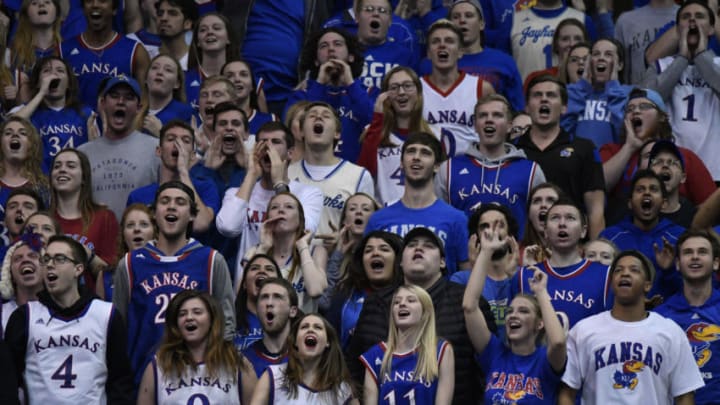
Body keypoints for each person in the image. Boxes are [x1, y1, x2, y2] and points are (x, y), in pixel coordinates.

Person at [347, 227, 497, 404]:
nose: (418, 249)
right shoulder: (376, 302)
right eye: (411, 245)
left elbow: (492, 363)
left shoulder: (468, 301)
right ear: (401, 262)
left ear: (442, 262)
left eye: (428, 246)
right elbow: (354, 367)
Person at [112, 181, 235, 383]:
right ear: (154, 213)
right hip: (141, 377)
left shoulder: (211, 260)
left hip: (198, 380)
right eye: (165, 201)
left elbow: (227, 324)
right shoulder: (130, 263)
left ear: (192, 215)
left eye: (180, 202)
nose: (171, 206)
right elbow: (118, 327)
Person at [559, 250, 705, 405]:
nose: (625, 274)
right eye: (618, 270)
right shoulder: (584, 330)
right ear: (611, 283)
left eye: (634, 270)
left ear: (647, 285)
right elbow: (567, 393)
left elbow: (684, 395)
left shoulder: (670, 331)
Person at [5, 235, 135, 404]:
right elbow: (8, 382)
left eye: (60, 259)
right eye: (46, 259)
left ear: (78, 269)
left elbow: (120, 381)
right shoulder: (24, 317)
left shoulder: (106, 315)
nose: (50, 264)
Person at [464, 225, 565, 404]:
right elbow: (469, 307)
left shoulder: (545, 360)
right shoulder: (494, 353)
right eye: (510, 311)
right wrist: (485, 253)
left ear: (539, 324)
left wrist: (541, 293)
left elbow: (557, 342)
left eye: (523, 311)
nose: (513, 315)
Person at [216, 122, 323, 280]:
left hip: (289, 285)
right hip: (249, 287)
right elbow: (228, 227)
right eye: (263, 142)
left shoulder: (309, 194)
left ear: (290, 153)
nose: (268, 147)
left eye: (276, 142)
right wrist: (252, 174)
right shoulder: (237, 193)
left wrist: (279, 183)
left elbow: (302, 229)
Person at [435, 94, 546, 239]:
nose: (489, 120)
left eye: (497, 115)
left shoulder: (531, 171)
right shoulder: (449, 169)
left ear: (509, 126)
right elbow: (437, 222)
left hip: (513, 258)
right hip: (464, 258)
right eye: (483, 115)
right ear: (475, 125)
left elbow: (542, 222)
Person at [514, 75, 606, 239]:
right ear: (527, 107)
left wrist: (595, 254)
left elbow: (596, 210)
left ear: (564, 107)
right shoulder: (512, 150)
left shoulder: (584, 149)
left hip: (571, 246)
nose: (544, 100)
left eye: (551, 95)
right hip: (522, 245)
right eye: (537, 95)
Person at [365, 132, 469, 274]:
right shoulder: (378, 219)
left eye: (425, 153)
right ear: (401, 163)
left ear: (437, 166)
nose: (416, 157)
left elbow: (465, 275)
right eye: (411, 151)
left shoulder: (457, 219)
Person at [641, 0, 720, 181]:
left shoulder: (718, 64)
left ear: (710, 29)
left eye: (699, 16)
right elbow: (648, 102)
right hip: (670, 170)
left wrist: (700, 56)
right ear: (677, 30)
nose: (692, 21)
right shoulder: (660, 66)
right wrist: (682, 58)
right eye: (686, 17)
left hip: (715, 170)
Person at [600, 87, 715, 207]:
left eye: (644, 106)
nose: (636, 111)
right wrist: (629, 147)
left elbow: (710, 206)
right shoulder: (612, 151)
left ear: (661, 117)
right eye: (630, 109)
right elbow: (597, 187)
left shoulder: (684, 157)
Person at [137, 290, 257, 405]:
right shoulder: (158, 365)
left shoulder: (235, 361)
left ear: (212, 319)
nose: (189, 317)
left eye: (197, 312)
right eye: (182, 314)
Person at [511, 198, 613, 333]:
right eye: (555, 218)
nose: (562, 224)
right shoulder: (524, 276)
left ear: (583, 231)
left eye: (570, 218)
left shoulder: (606, 276)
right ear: (546, 232)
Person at [288, 102, 374, 239]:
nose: (318, 118)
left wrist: (343, 240)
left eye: (326, 116)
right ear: (302, 131)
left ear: (337, 134)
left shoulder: (359, 176)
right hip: (294, 258)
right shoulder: (286, 174)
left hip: (338, 258)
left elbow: (367, 229)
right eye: (312, 116)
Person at [78, 76, 160, 219]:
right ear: (102, 103)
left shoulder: (155, 148)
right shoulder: (82, 153)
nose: (121, 102)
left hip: (139, 236)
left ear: (138, 108)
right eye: (114, 96)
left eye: (128, 98)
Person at [287, 27, 373, 162]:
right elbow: (297, 128)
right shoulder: (302, 94)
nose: (331, 49)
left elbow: (373, 123)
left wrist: (351, 83)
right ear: (315, 60)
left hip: (353, 172)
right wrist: (319, 83)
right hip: (311, 169)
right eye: (323, 46)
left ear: (351, 56)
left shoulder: (368, 92)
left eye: (337, 44)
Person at [360, 284, 455, 405]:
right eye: (396, 302)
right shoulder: (375, 355)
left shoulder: (441, 350)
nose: (402, 304)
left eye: (411, 300)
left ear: (425, 312)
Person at [656, 229, 720, 404]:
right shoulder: (659, 318)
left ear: (716, 263)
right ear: (677, 263)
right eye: (688, 252)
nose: (695, 257)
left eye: (702, 252)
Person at [600, 169, 685, 299]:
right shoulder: (609, 237)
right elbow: (597, 281)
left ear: (664, 203)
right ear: (629, 202)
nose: (647, 193)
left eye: (653, 189)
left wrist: (669, 270)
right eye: (640, 189)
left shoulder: (679, 237)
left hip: (665, 314)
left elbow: (692, 287)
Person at [127, 120, 220, 235]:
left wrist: (183, 171)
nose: (177, 144)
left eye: (185, 141)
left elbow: (201, 224)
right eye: (171, 139)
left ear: (192, 155)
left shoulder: (205, 187)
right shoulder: (138, 196)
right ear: (159, 151)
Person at [357, 66, 433, 206]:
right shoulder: (372, 132)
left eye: (407, 86)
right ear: (385, 96)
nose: (401, 92)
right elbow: (364, 176)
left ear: (419, 93)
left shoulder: (435, 135)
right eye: (394, 87)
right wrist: (378, 118)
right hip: (384, 216)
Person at [244, 192, 328, 313]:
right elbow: (242, 293)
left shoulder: (315, 251)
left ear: (300, 219)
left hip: (299, 329)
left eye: (289, 206)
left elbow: (315, 290)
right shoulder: (255, 251)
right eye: (274, 207)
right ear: (267, 218)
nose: (281, 210)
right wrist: (263, 248)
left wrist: (302, 247)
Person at [422, 19, 494, 157]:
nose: (442, 45)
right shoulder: (416, 89)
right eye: (436, 41)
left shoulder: (482, 88)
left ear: (460, 51)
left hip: (470, 171)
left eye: (449, 41)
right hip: (428, 171)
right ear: (428, 53)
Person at [59, 0, 150, 108]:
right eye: (89, 1)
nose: (95, 5)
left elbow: (144, 102)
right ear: (83, 9)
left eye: (103, 1)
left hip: (120, 123)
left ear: (115, 9)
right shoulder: (62, 51)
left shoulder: (136, 51)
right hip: (76, 123)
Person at [250, 313, 357, 404]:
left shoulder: (343, 390)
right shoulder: (273, 376)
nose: (310, 329)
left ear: (327, 342)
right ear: (296, 342)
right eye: (304, 327)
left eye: (318, 327)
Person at [50, 148, 119, 290]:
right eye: (57, 166)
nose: (62, 170)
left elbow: (112, 276)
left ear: (83, 178)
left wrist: (87, 254)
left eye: (71, 166)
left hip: (91, 303)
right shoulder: (44, 221)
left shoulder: (104, 218)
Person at [12, 56, 95, 173]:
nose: (53, 75)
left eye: (60, 71)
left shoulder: (86, 113)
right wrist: (42, 92)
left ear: (68, 84)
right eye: (47, 71)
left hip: (76, 180)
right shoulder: (27, 110)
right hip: (39, 182)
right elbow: (10, 126)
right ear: (38, 82)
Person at [324, 230, 403, 349]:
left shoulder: (411, 296)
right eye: (368, 250)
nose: (375, 253)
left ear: (398, 259)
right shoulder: (345, 295)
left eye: (384, 249)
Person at [562, 38, 633, 148]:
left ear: (620, 65)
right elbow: (562, 132)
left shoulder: (630, 93)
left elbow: (626, 136)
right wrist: (582, 87)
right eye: (596, 54)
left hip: (615, 162)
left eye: (608, 54)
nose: (601, 58)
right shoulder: (572, 92)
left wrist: (614, 88)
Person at [97, 203, 157, 302]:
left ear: (155, 232)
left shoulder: (164, 268)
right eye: (130, 225)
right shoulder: (105, 276)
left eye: (144, 224)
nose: (137, 229)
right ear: (123, 235)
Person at [355, 0, 418, 90]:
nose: (376, 14)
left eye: (382, 11)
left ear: (390, 21)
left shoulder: (405, 56)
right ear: (357, 17)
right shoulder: (345, 51)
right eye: (369, 9)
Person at [242, 277, 299, 377]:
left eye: (277, 297)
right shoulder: (244, 360)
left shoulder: (304, 357)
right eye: (264, 297)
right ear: (257, 309)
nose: (269, 303)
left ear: (293, 311)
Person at [614, 0, 679, 84]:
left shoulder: (690, 17)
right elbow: (620, 72)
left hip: (680, 93)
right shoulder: (626, 21)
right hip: (638, 94)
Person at [185, 13, 240, 109]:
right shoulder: (183, 79)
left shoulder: (243, 80)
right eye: (203, 30)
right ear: (197, 41)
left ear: (228, 38)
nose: (210, 32)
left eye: (217, 28)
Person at [234, 253, 283, 350]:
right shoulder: (228, 321)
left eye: (269, 269)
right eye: (254, 268)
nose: (262, 271)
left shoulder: (291, 322)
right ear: (243, 284)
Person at [139, 54, 194, 137]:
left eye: (168, 70)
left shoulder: (186, 113)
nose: (160, 72)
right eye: (155, 68)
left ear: (177, 83)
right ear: (146, 79)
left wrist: (161, 133)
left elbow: (190, 148)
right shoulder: (133, 110)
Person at [0, 232, 45, 335]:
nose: (25, 260)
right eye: (17, 259)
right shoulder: (2, 313)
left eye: (32, 255)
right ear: (10, 274)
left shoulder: (59, 310)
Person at [646, 140, 697, 228]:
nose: (665, 165)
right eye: (658, 162)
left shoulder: (693, 217)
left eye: (673, 163)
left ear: (683, 177)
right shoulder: (637, 212)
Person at [221, 59, 276, 140]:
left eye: (243, 74)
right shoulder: (214, 120)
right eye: (230, 76)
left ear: (252, 86)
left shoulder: (270, 120)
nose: (237, 79)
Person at [9, 0, 63, 74]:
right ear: (26, 15)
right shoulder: (12, 54)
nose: (41, 4)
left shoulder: (66, 51)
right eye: (34, 3)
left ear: (57, 13)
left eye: (47, 2)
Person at [0, 188, 44, 260]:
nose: (19, 209)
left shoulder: (49, 257)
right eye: (13, 206)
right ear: (4, 220)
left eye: (28, 207)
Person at [154, 0, 196, 69]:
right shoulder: (146, 55)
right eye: (160, 13)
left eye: (172, 13)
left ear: (187, 23)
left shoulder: (197, 58)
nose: (163, 18)